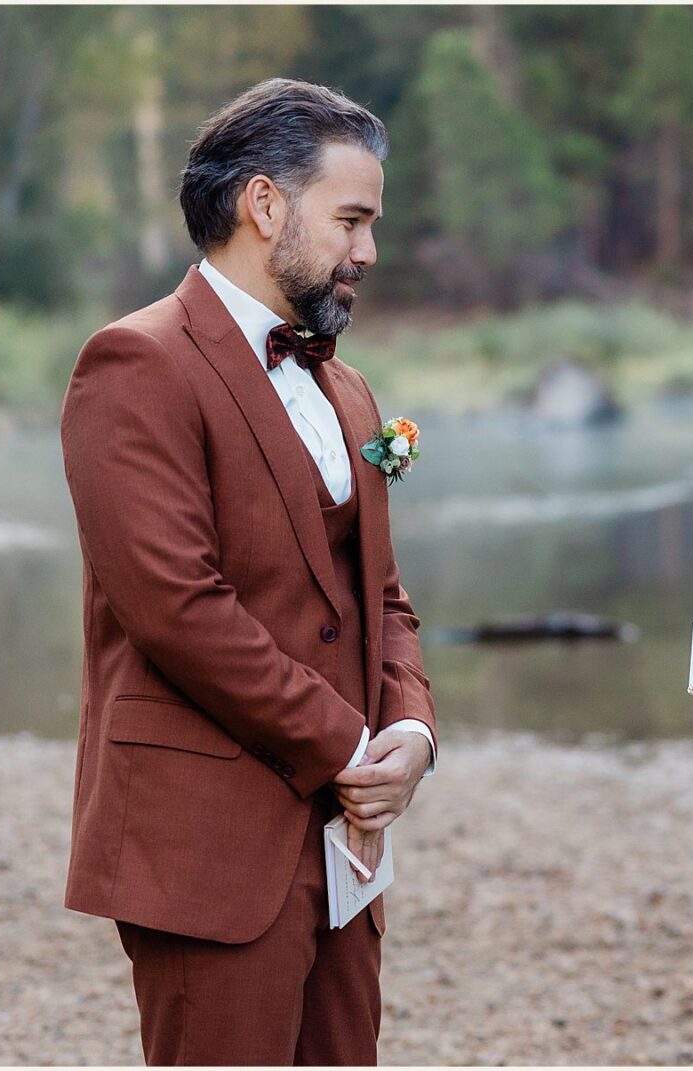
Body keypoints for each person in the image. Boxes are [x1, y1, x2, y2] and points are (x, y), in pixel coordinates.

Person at [60, 78, 436, 1065]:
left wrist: (410, 732)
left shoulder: (347, 387)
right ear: (264, 205)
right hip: (205, 841)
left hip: (345, 845)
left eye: (371, 224)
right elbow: (177, 610)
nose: (368, 251)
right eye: (351, 220)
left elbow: (381, 595)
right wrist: (348, 742)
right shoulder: (134, 364)